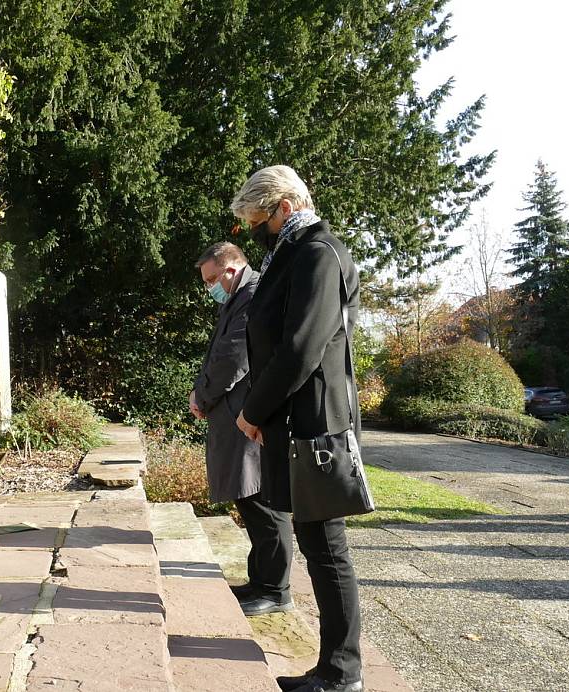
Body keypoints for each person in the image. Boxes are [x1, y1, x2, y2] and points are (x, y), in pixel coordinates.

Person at [230, 165, 364, 692]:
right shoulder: (295, 253)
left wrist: (254, 409)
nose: (255, 232)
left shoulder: (316, 254)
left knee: (327, 547)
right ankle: (333, 668)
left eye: (258, 220)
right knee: (317, 543)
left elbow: (301, 348)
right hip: (298, 421)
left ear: (283, 208)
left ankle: (341, 673)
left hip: (317, 426)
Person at [189, 242, 295, 617]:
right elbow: (221, 355)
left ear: (231, 269)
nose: (210, 289)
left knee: (262, 500)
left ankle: (276, 590)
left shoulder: (252, 295)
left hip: (248, 416)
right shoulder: (239, 297)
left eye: (212, 279)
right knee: (251, 500)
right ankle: (261, 580)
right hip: (238, 413)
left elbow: (234, 357)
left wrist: (202, 396)